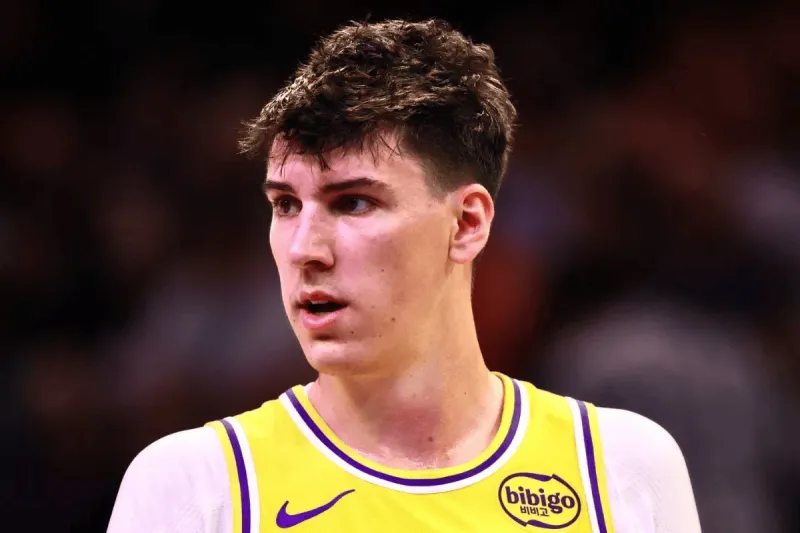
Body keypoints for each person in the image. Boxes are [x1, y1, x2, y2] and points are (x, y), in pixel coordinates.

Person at [107, 18, 701, 532]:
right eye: (285, 204)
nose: (305, 248)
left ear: (466, 223)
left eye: (353, 202)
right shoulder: (196, 485)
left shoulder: (619, 468)